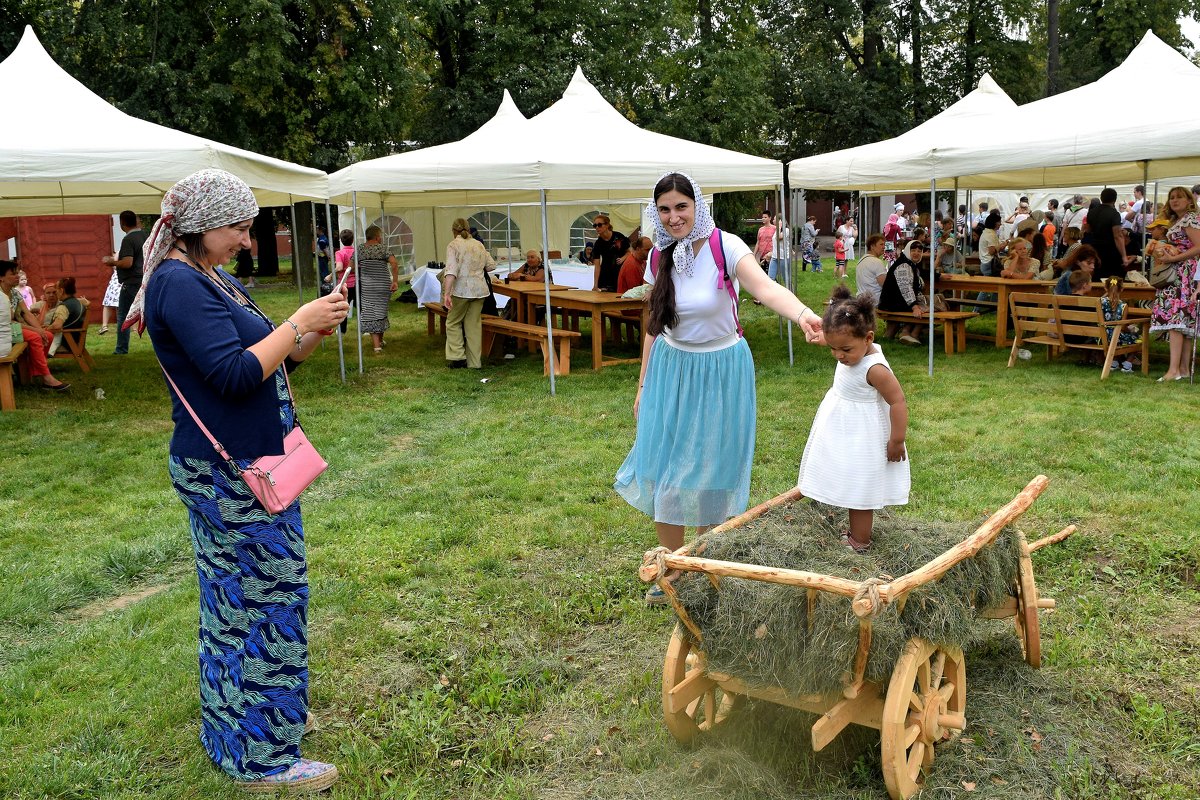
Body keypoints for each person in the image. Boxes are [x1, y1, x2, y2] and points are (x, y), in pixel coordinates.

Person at [126, 169, 348, 793]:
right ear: (202, 224)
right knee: (263, 606)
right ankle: (264, 758)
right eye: (240, 228)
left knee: (233, 605)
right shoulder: (179, 282)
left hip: (243, 467)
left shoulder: (204, 276)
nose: (248, 240)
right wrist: (297, 322)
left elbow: (268, 353)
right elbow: (231, 375)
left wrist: (308, 330)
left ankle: (240, 732)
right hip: (231, 475)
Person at [613, 172, 823, 604]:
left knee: (711, 468)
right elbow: (655, 325)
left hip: (722, 368)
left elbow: (764, 287)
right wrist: (643, 384)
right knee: (665, 466)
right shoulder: (659, 256)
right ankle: (670, 570)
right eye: (665, 209)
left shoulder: (725, 246)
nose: (674, 218)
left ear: (697, 206)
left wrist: (802, 314)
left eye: (681, 207)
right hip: (672, 368)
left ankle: (705, 568)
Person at [798, 284, 909, 553]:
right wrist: (823, 338)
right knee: (848, 479)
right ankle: (854, 532)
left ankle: (861, 541)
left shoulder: (875, 369)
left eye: (845, 349)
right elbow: (837, 340)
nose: (838, 355)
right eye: (833, 348)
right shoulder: (851, 348)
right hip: (845, 431)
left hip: (864, 437)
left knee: (861, 489)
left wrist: (897, 440)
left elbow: (898, 401)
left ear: (868, 338)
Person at [1149, 186, 1200, 382]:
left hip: (1183, 273)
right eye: (1171, 198)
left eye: (1179, 197)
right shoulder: (1178, 221)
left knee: (1176, 321)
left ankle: (1173, 371)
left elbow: (1198, 247)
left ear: (1189, 200)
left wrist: (1173, 259)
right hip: (1182, 271)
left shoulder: (1190, 219)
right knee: (1183, 322)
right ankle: (1183, 369)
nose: (1174, 200)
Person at [2, 261, 70, 391]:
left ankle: (34, 371)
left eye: (17, 273)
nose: (17, 276)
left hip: (15, 327)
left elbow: (27, 313)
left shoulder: (14, 292)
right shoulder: (0, 295)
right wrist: (36, 330)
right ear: (1, 277)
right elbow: (8, 321)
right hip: (5, 329)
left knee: (48, 335)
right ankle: (46, 378)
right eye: (13, 274)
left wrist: (40, 329)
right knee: (35, 337)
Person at [442, 217, 495, 369]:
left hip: (461, 290)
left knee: (453, 322)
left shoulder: (453, 245)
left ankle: (458, 357)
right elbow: (491, 266)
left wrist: (446, 293)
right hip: (479, 290)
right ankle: (475, 363)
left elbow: (451, 271)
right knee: (473, 326)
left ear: (454, 230)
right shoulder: (478, 244)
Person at [103, 210, 149, 355]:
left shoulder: (129, 239)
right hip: (146, 279)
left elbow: (128, 263)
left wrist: (112, 262)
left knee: (123, 315)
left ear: (122, 223)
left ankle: (121, 349)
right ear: (136, 221)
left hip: (132, 281)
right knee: (150, 313)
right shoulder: (145, 235)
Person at [356, 225, 398, 354]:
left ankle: (378, 344)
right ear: (377, 237)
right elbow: (394, 263)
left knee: (370, 313)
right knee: (381, 312)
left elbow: (351, 267)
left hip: (367, 287)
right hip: (383, 286)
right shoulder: (383, 248)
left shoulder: (360, 249)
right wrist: (395, 281)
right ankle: (378, 344)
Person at [879, 241, 928, 344]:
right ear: (907, 251)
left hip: (893, 302)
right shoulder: (904, 265)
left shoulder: (910, 264)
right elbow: (905, 288)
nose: (916, 253)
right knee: (928, 307)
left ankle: (907, 333)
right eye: (913, 250)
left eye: (919, 251)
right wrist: (914, 306)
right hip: (893, 303)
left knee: (925, 303)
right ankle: (910, 333)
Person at [1087, 188, 1131, 281]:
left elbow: (1087, 231)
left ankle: (1097, 294)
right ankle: (1111, 294)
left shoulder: (1091, 212)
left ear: (1101, 198)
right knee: (1113, 278)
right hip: (1110, 252)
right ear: (1114, 200)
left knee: (1097, 276)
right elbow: (1117, 236)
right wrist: (1124, 256)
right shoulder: (1114, 214)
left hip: (1094, 250)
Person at [1099, 276, 1139, 372]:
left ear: (1105, 288)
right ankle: (1128, 364)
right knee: (1136, 336)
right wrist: (1131, 329)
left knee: (1116, 336)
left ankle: (1114, 362)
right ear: (1122, 289)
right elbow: (1123, 327)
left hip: (1101, 336)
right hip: (1116, 337)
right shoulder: (1123, 306)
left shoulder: (1100, 302)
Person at [590, 214, 629, 292]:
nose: (597, 227)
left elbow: (630, 252)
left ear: (607, 225)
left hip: (620, 273)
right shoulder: (598, 244)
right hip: (606, 276)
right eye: (595, 225)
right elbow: (597, 266)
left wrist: (622, 258)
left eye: (599, 225)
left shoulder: (618, 236)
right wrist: (595, 285)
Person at [333, 229, 356, 332]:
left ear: (341, 240)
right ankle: (366, 329)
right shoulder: (356, 251)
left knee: (343, 308)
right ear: (353, 239)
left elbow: (339, 267)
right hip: (357, 283)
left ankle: (342, 330)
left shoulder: (339, 253)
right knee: (361, 307)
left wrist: (330, 275)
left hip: (344, 284)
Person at [854, 234, 888, 305]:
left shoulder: (860, 261)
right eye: (881, 244)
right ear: (872, 246)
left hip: (861, 299)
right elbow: (885, 285)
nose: (884, 247)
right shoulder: (876, 262)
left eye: (884, 244)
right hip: (875, 301)